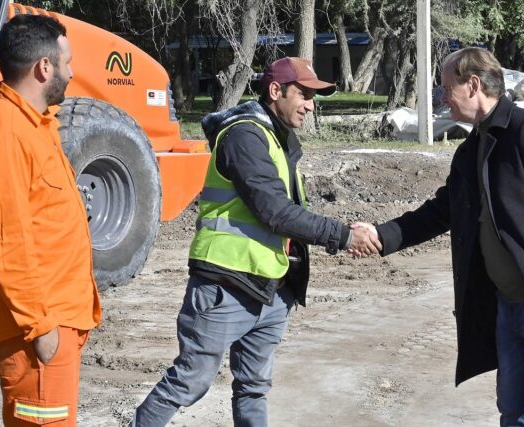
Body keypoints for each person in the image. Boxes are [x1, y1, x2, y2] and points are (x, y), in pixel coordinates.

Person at [354, 47, 524, 426]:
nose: (440, 97)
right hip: (506, 304)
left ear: (472, 85)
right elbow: (442, 211)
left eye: (444, 87)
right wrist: (383, 235)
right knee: (513, 409)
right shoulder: (471, 149)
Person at [132, 56, 381, 427]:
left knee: (253, 387)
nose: (311, 105)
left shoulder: (278, 139)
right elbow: (275, 212)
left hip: (271, 288)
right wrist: (344, 236)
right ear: (275, 91)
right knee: (190, 381)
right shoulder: (245, 136)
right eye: (304, 94)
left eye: (314, 96)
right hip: (225, 287)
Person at [0, 14, 99, 426]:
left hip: (53, 322)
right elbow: (4, 243)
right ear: (44, 67)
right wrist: (42, 331)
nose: (72, 73)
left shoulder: (33, 125)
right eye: (67, 63)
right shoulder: (2, 135)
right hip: (35, 334)